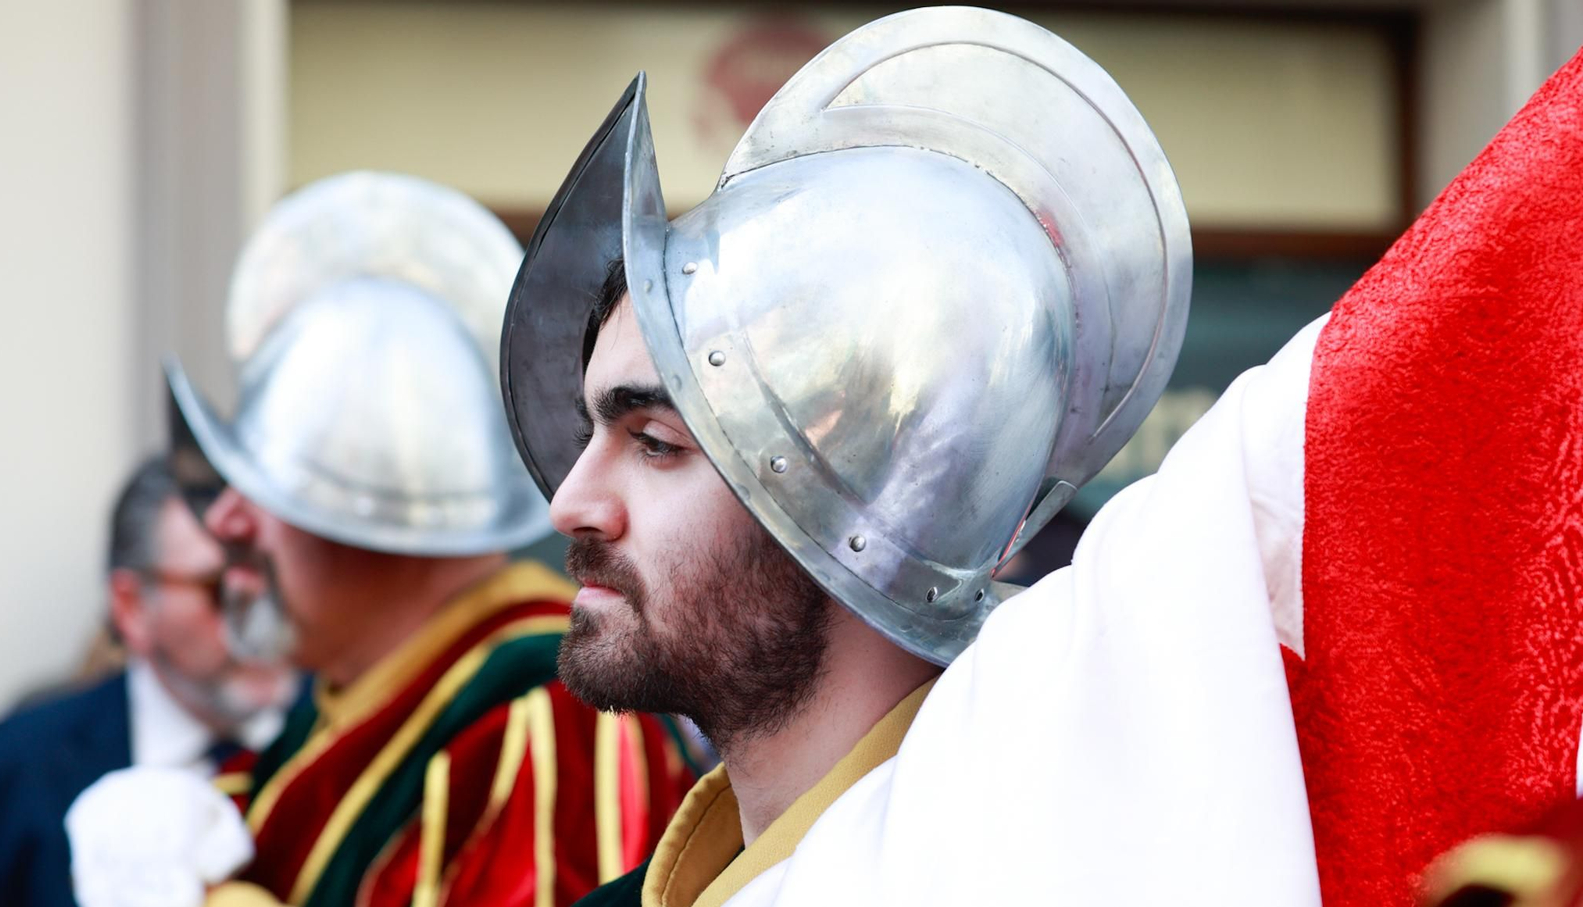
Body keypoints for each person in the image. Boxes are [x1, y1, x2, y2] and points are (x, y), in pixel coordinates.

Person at [501, 8, 1583, 906]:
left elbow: (1501, 296)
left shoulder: (1050, 829)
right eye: (595, 429)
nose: (572, 501)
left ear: (856, 507)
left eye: (655, 443)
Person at [69, 173, 691, 907]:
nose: (227, 521)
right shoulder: (342, 699)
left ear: (373, 515)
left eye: (267, 492)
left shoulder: (547, 717)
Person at [0, 457, 295, 907]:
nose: (262, 622)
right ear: (131, 607)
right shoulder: (11, 773)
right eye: (221, 590)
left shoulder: (347, 740)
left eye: (273, 579)